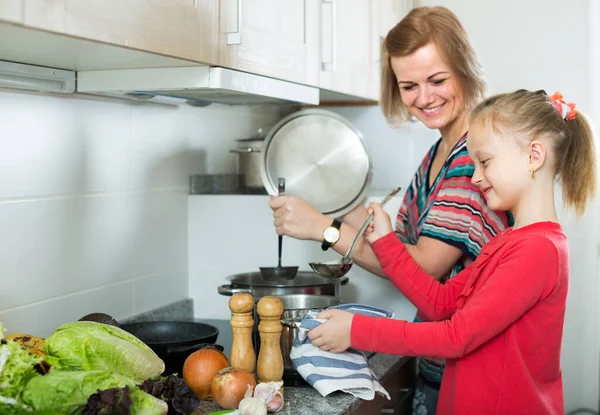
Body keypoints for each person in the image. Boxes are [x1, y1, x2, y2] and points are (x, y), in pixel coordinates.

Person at [269, 6, 512, 412]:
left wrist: (324, 230)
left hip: (472, 372)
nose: (424, 98)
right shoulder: (439, 151)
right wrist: (350, 218)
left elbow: (423, 269)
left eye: (437, 80)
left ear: (466, 69)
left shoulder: (472, 156)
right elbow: (398, 251)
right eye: (409, 85)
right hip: (441, 365)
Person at [307, 89, 597, 415]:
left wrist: (356, 330)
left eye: (485, 162)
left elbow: (455, 337)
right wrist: (386, 240)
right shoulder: (511, 241)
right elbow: (441, 303)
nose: (475, 177)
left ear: (534, 156)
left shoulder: (538, 250)